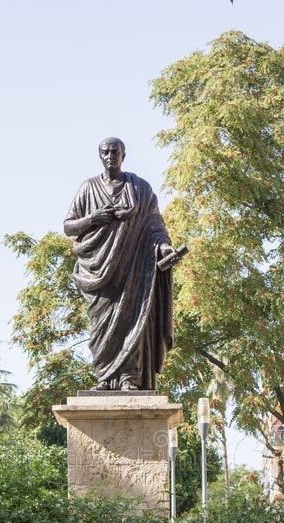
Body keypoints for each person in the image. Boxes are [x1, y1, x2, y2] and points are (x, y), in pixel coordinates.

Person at [64, 137, 174, 391]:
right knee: (102, 327)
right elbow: (69, 226)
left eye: (115, 151)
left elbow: (156, 227)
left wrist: (165, 248)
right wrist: (93, 218)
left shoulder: (140, 190)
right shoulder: (87, 188)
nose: (110, 155)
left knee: (134, 320)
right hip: (98, 271)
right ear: (99, 155)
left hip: (134, 271)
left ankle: (128, 378)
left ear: (124, 155)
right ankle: (105, 378)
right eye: (106, 152)